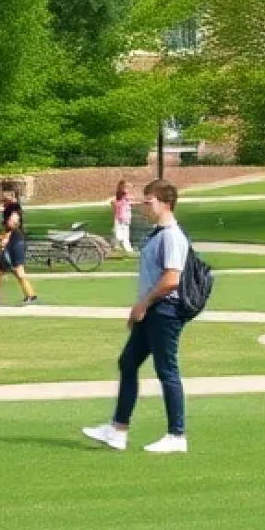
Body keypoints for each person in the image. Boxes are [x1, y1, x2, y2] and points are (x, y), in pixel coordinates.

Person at [83, 179, 192, 454]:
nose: (144, 205)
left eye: (149, 201)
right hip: (152, 310)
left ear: (165, 203)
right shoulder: (158, 233)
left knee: (167, 370)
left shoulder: (172, 236)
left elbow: (171, 279)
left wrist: (143, 304)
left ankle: (177, 435)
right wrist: (142, 306)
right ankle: (118, 429)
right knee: (128, 362)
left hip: (164, 311)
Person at [0, 182, 39, 306]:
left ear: (11, 194)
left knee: (18, 271)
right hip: (12, 242)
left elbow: (13, 223)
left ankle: (31, 296)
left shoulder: (14, 207)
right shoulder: (9, 207)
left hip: (16, 242)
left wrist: (6, 238)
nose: (2, 195)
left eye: (5, 192)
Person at [110, 180, 135, 256]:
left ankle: (125, 248)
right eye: (126, 187)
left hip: (124, 218)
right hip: (120, 218)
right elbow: (115, 205)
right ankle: (122, 247)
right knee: (119, 234)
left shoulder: (125, 197)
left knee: (123, 234)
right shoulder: (120, 197)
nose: (127, 189)